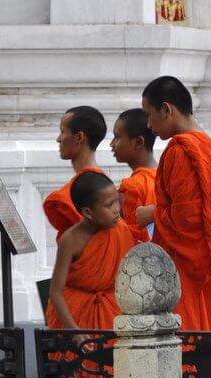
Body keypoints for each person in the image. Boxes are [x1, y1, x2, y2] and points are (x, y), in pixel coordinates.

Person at [137, 76, 211, 331]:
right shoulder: (208, 145)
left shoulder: (180, 150)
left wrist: (152, 213)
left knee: (185, 341)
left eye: (150, 115)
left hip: (183, 267)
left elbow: (188, 219)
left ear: (167, 109)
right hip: (203, 260)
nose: (149, 125)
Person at [46, 171, 135, 331]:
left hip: (113, 312)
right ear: (88, 212)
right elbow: (56, 292)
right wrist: (74, 331)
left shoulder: (120, 229)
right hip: (76, 315)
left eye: (116, 201)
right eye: (109, 205)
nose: (117, 209)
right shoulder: (70, 240)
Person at [43, 106, 107, 241]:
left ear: (79, 137)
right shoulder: (105, 184)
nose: (58, 139)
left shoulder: (68, 197)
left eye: (62, 132)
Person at [110, 108, 157, 242]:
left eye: (117, 137)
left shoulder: (132, 187)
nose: (112, 144)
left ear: (138, 142)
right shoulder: (167, 175)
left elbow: (130, 239)